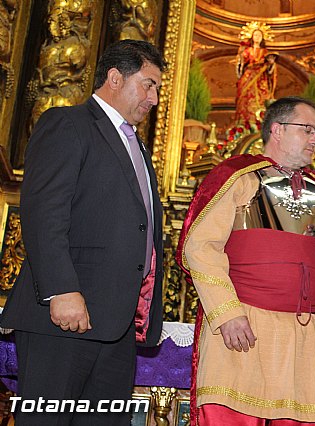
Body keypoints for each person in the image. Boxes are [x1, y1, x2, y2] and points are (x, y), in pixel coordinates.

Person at [1, 39, 166, 425]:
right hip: (63, 317)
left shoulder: (138, 149)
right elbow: (44, 212)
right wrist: (61, 290)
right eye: (148, 84)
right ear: (114, 77)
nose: (154, 98)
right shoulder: (68, 123)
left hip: (116, 325)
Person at [176, 96, 315, 426]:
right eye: (307, 130)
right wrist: (227, 314)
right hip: (243, 331)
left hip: (301, 340)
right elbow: (199, 248)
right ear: (276, 129)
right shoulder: (237, 178)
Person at [234, 28, 277, 125]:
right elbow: (241, 65)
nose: (257, 37)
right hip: (248, 76)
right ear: (252, 37)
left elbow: (270, 71)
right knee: (245, 98)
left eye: (259, 35)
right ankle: (244, 123)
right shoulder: (247, 51)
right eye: (255, 35)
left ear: (262, 38)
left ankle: (259, 122)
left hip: (261, 78)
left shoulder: (265, 52)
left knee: (262, 99)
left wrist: (271, 64)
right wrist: (240, 57)